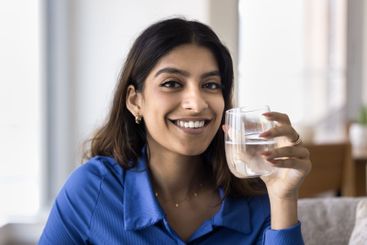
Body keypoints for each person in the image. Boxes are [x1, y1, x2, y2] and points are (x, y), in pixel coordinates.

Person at [38, 18, 311, 244]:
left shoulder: (255, 196)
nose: (197, 102)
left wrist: (283, 197)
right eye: (172, 83)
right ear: (135, 101)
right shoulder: (93, 190)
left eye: (211, 85)